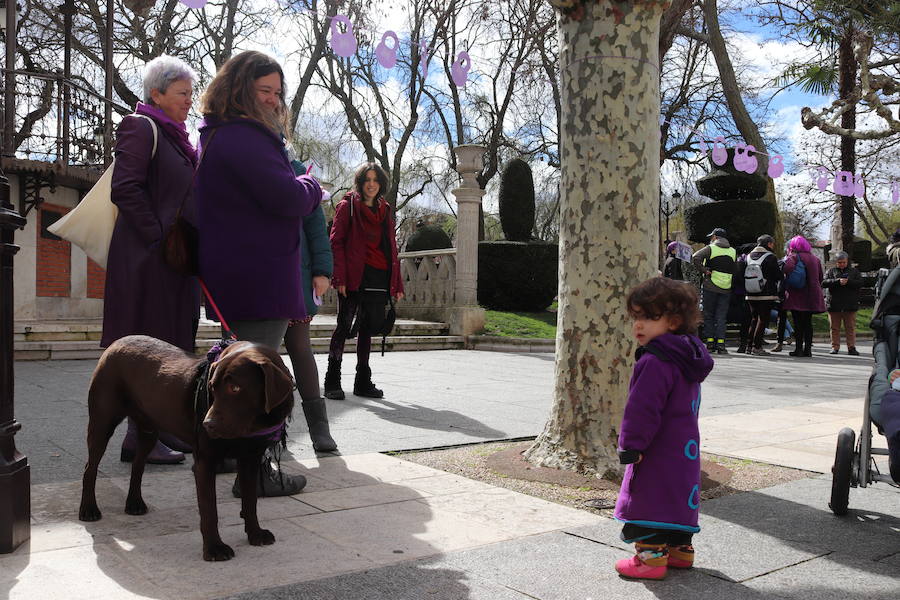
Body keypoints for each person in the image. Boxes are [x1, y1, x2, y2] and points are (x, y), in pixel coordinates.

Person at [195, 50, 322, 496]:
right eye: (263, 91)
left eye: (277, 93)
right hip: (258, 276)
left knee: (234, 375)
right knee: (260, 379)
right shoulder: (245, 137)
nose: (272, 100)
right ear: (240, 90)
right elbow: (288, 198)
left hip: (237, 272)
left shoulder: (218, 136)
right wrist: (311, 184)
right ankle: (258, 473)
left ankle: (230, 457)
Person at [101, 55, 201, 465]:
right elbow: (125, 189)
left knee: (171, 346)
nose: (189, 102)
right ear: (156, 94)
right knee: (148, 348)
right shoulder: (140, 127)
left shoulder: (179, 138)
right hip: (149, 261)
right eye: (182, 94)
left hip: (174, 263)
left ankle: (157, 431)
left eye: (191, 94)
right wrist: (159, 237)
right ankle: (139, 438)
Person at [614, 277, 714, 580]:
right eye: (635, 317)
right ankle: (681, 552)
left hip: (657, 448)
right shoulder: (688, 356)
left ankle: (650, 561)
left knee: (650, 499)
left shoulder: (657, 360)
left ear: (673, 322)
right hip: (684, 449)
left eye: (648, 317)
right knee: (677, 496)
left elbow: (642, 408)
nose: (638, 325)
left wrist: (631, 445)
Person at [324, 163, 404, 400]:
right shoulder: (346, 207)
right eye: (367, 179)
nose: (371, 184)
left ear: (381, 184)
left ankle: (362, 381)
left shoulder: (385, 210)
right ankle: (332, 379)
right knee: (344, 326)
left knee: (368, 329)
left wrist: (396, 282)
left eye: (376, 180)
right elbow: (336, 242)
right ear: (360, 182)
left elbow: (391, 246)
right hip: (353, 275)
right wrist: (339, 276)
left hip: (378, 275)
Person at [283, 157, 337, 452]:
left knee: (300, 349)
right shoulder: (248, 157)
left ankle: (319, 428)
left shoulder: (298, 170)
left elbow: (316, 227)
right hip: (259, 276)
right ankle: (267, 428)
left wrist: (322, 270)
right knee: (257, 353)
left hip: (295, 276)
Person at [692, 227, 735, 354]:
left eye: (712, 236)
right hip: (726, 287)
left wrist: (705, 270)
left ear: (715, 237)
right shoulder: (733, 251)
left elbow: (695, 257)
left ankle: (710, 343)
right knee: (721, 317)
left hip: (710, 285)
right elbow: (734, 268)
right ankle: (721, 344)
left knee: (709, 314)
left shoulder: (710, 248)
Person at [782, 235, 825, 357]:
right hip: (812, 295)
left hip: (797, 295)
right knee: (808, 323)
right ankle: (808, 350)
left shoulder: (794, 257)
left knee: (798, 323)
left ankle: (798, 349)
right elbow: (820, 277)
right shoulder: (815, 259)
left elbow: (786, 268)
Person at [742, 234, 783, 356]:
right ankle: (757, 346)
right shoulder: (770, 257)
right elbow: (777, 275)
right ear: (769, 244)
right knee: (762, 319)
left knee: (754, 319)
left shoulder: (748, 256)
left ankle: (749, 346)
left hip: (750, 292)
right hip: (766, 293)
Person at [822, 251, 863, 355]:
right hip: (834, 305)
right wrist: (837, 281)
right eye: (839, 262)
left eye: (843, 262)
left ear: (847, 261)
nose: (842, 264)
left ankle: (851, 347)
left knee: (850, 328)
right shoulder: (830, 271)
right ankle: (835, 347)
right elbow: (824, 283)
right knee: (834, 328)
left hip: (850, 305)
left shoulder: (854, 271)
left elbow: (860, 283)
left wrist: (848, 282)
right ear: (836, 262)